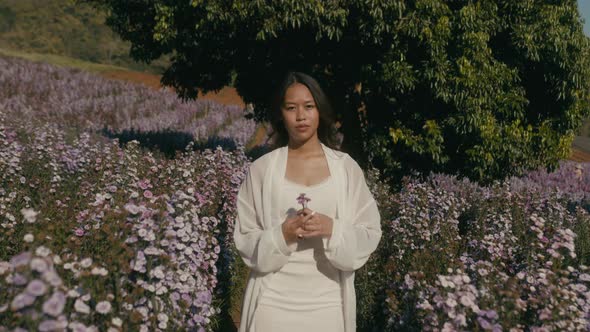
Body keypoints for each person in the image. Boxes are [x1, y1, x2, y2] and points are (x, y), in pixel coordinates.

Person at [233, 71, 382, 332]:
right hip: (272, 303)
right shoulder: (262, 170)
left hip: (327, 304)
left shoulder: (345, 169)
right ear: (281, 114)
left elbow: (370, 232)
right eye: (291, 108)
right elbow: (245, 237)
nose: (300, 116)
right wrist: (282, 234)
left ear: (320, 111)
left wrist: (331, 228)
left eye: (309, 107)